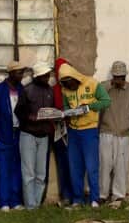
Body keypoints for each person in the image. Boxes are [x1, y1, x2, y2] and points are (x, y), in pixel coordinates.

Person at [58, 61, 111, 208]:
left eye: (70, 83)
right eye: (65, 84)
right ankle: (77, 199)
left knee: (92, 165)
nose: (69, 87)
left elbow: (106, 101)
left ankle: (95, 199)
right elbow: (67, 106)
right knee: (75, 167)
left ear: (76, 77)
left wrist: (89, 107)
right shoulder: (65, 90)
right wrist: (65, 113)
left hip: (89, 129)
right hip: (73, 131)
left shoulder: (92, 83)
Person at [14, 61, 57, 209]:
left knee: (41, 174)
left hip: (44, 135)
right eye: (44, 75)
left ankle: (37, 203)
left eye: (48, 75)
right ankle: (30, 205)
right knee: (29, 173)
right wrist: (29, 117)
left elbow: (52, 110)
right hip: (28, 135)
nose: (47, 78)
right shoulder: (27, 90)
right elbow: (18, 111)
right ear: (37, 76)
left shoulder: (50, 91)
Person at [98, 60, 129, 205]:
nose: (120, 79)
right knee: (105, 164)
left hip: (124, 132)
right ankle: (102, 194)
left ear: (125, 76)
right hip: (106, 131)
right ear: (113, 76)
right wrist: (112, 84)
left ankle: (118, 194)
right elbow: (98, 95)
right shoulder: (104, 86)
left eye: (122, 76)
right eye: (117, 76)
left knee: (121, 165)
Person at [0, 61, 25, 211]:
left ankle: (16, 201)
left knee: (17, 168)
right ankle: (4, 202)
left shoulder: (22, 90)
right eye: (19, 73)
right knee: (4, 170)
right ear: (10, 73)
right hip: (4, 135)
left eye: (22, 72)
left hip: (19, 134)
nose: (21, 76)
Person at [50, 57, 76, 207]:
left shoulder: (74, 87)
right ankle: (66, 194)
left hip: (75, 129)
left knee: (76, 163)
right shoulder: (53, 91)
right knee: (63, 164)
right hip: (59, 131)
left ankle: (76, 193)